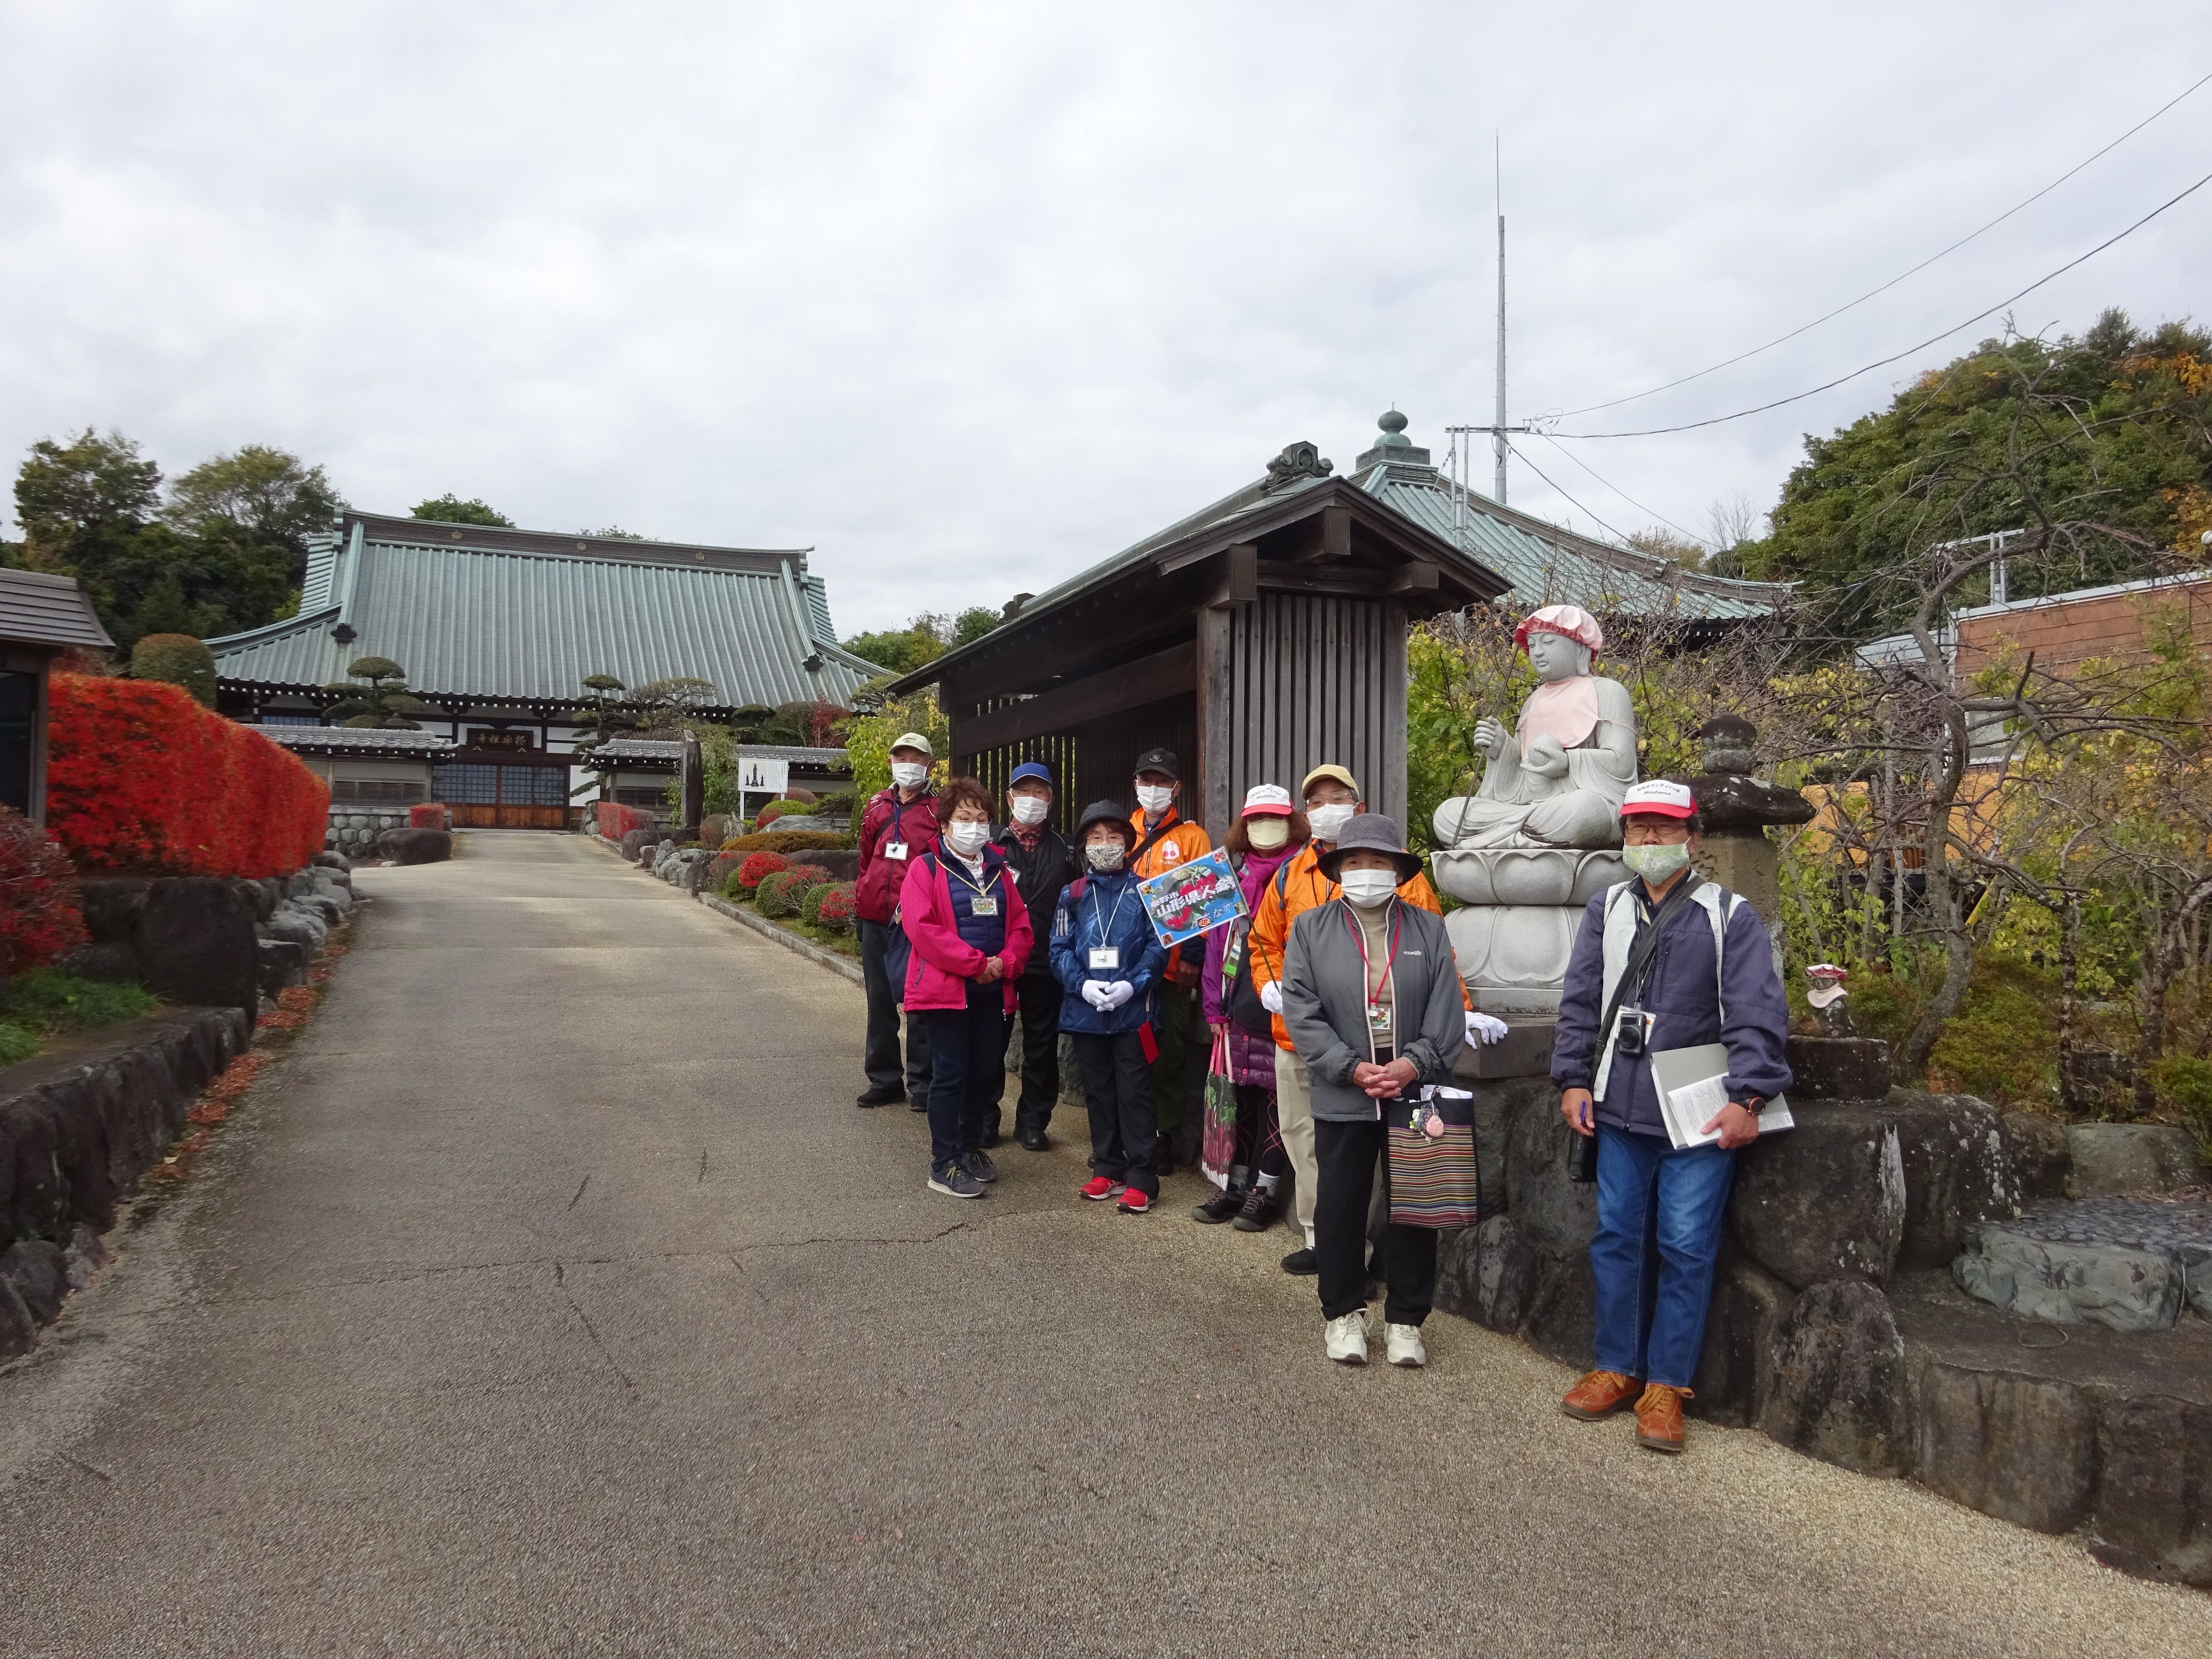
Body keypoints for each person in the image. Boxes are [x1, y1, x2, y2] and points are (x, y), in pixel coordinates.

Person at [1551, 779, 1792, 1453]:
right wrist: (1572, 1080)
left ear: (1692, 834)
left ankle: (1667, 1385)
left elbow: (1756, 1011)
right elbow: (1580, 1001)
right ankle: (1617, 1366)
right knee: (1617, 1237)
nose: (1648, 840)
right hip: (1617, 1107)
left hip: (1695, 1114)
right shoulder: (1607, 909)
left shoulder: (1727, 914)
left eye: (1662, 827)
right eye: (1637, 828)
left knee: (1686, 1248)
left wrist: (1750, 1098)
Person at [1245, 765, 1449, 1275]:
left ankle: (1359, 1249)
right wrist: (1268, 985)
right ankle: (1325, 1241)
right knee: (1305, 1139)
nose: (1326, 808)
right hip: (1302, 1039)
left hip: (1383, 1048)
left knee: (1373, 1154)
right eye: (1316, 801)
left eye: (1338, 797)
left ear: (1358, 805)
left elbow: (1437, 955)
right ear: (1305, 812)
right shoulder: (1291, 873)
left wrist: (1459, 1014)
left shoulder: (1409, 883)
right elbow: (1264, 942)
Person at [1279, 815, 1466, 1367]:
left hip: (1417, 1094)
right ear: (1338, 870)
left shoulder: (1429, 928)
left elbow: (1447, 1011)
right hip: (1346, 1089)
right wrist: (1352, 1068)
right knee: (1340, 1205)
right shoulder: (1311, 928)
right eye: (1354, 863)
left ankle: (1407, 1320)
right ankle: (1343, 1313)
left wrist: (1413, 1064)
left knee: (1416, 1206)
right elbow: (1302, 1012)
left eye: (1378, 863)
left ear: (1397, 871)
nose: (1366, 872)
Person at [899, 777, 1033, 1200]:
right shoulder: (924, 868)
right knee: (951, 1075)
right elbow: (923, 929)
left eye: (982, 819)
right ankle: (944, 1163)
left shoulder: (999, 872)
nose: (974, 826)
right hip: (947, 991)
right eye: (964, 818)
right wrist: (975, 965)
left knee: (983, 1075)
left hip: (992, 991)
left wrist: (1004, 965)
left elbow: (1021, 928)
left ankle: (970, 1148)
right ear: (945, 824)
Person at [1195, 784, 1309, 1230]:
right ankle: (1234, 1186)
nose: (1265, 827)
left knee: (1280, 1103)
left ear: (1292, 822)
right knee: (1238, 1099)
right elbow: (1214, 947)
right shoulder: (1230, 877)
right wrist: (1213, 1008)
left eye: (1275, 818)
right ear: (1243, 826)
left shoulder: (1306, 873)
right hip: (1236, 1008)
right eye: (1256, 819)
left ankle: (1266, 1191)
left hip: (1284, 1008)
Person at [1051, 800, 1168, 1215]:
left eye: (1114, 837)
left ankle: (1143, 1177)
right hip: (1085, 1014)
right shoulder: (1072, 894)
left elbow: (1158, 949)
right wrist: (1082, 987)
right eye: (1096, 838)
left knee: (1135, 1093)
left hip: (1133, 1013)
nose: (1105, 845)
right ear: (1084, 846)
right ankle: (1108, 1165)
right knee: (1098, 1093)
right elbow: (1059, 948)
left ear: (1128, 844)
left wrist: (1130, 986)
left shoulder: (1147, 891)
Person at [1126, 747, 1214, 1175]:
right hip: (1128, 964)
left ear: (1176, 787)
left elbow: (1203, 900)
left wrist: (1193, 958)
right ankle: (1131, 1133)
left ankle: (1164, 1135)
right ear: (1136, 784)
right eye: (1147, 780)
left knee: (1169, 1051)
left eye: (1162, 781)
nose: (1154, 789)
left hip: (1174, 964)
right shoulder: (1124, 831)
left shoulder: (1193, 837)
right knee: (1128, 1048)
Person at [991, 761, 1078, 1152]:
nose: (1031, 799)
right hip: (998, 962)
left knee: (1041, 1044)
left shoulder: (1066, 848)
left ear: (1051, 799)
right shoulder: (991, 844)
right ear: (1009, 798)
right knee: (992, 1041)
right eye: (1023, 792)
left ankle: (1033, 1122)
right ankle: (984, 1119)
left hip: (1045, 961)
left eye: (1039, 792)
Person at [855, 732, 942, 1111]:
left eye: (917, 758)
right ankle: (885, 1079)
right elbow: (865, 858)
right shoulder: (876, 805)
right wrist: (863, 899)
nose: (909, 763)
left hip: (916, 923)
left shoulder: (938, 811)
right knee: (879, 1002)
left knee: (919, 1002)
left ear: (930, 765)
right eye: (901, 756)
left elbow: (943, 867)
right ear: (891, 761)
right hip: (874, 917)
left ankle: (923, 1083)